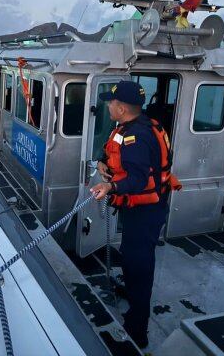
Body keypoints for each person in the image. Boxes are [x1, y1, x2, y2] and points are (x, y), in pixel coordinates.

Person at [90, 80, 181, 349]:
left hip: (146, 213)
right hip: (137, 210)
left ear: (120, 108)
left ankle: (137, 331)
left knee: (140, 267)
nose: (107, 105)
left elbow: (140, 180)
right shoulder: (135, 126)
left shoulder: (136, 137)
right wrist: (103, 162)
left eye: (110, 102)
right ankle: (130, 293)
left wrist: (110, 186)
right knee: (129, 256)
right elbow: (120, 158)